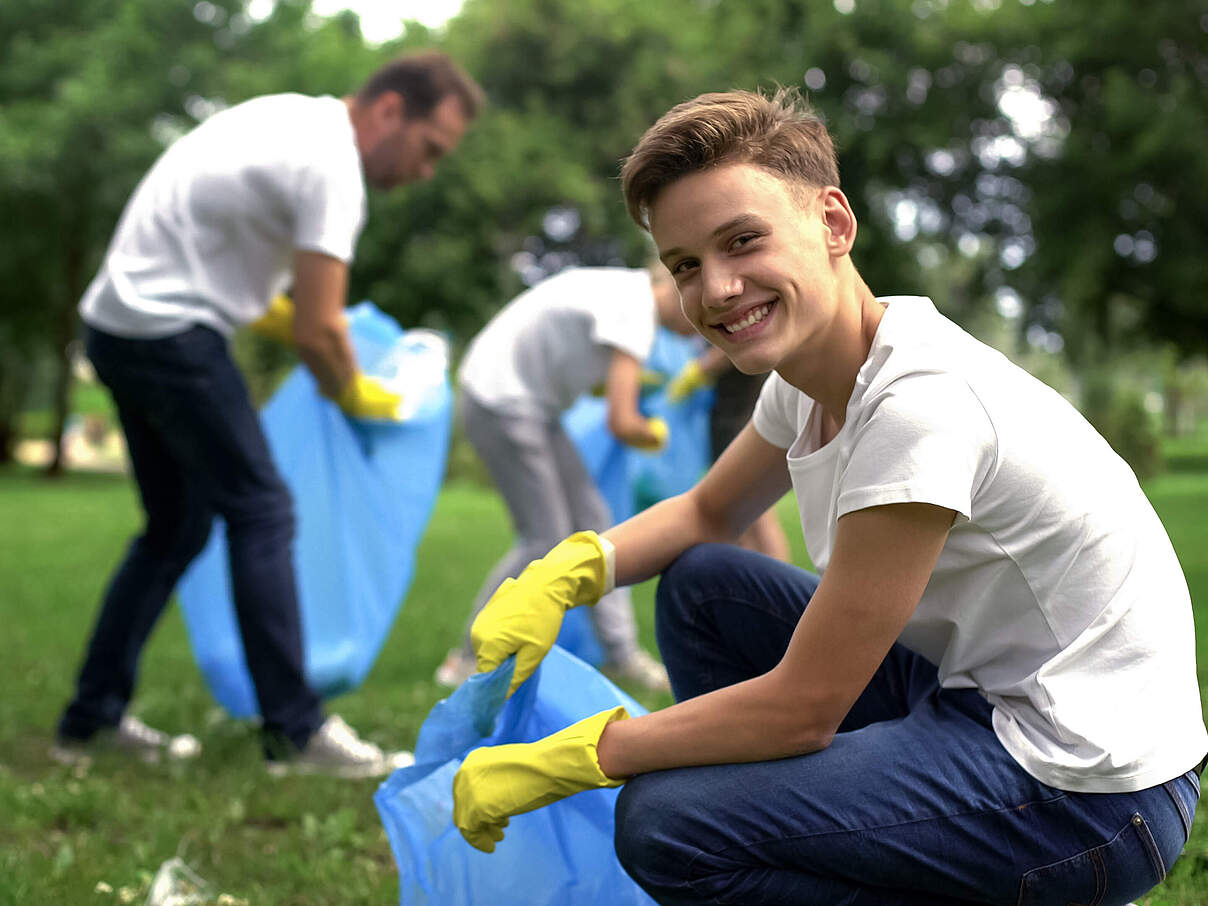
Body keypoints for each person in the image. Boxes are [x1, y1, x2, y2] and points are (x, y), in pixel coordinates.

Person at [449, 88, 1207, 904]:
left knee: (667, 823)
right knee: (707, 588)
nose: (717, 289)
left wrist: (583, 753)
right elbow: (709, 512)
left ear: (834, 225)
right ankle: (792, 822)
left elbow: (805, 708)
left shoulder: (920, 404)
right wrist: (568, 573)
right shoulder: (815, 376)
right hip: (974, 696)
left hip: (1086, 793)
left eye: (743, 241)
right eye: (687, 267)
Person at [53, 52, 483, 777]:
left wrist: (325, 352)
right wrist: (357, 395)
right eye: (429, 149)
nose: (425, 171)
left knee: (177, 528)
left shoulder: (292, 119)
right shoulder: (333, 168)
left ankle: (89, 719)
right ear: (388, 113)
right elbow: (318, 329)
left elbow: (265, 301)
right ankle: (296, 731)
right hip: (169, 330)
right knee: (262, 509)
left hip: (118, 325)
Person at [434, 265, 690, 693]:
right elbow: (623, 422)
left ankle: (621, 654)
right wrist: (655, 432)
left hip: (527, 402)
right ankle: (467, 659)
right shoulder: (636, 310)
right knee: (544, 538)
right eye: (699, 319)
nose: (699, 332)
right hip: (502, 399)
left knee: (599, 529)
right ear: (679, 288)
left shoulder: (623, 288)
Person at [667, 345, 790, 561]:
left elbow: (738, 340)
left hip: (740, 414)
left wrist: (700, 369)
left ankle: (777, 581)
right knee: (740, 517)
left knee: (757, 512)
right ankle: (757, 581)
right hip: (728, 414)